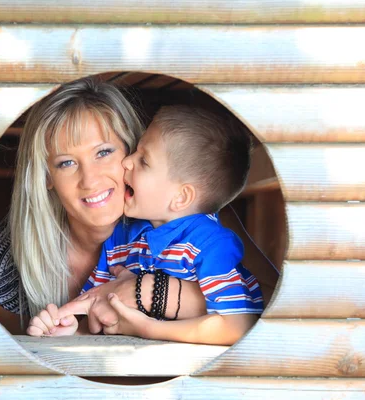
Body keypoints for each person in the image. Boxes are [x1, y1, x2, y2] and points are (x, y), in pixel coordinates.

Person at [0, 78, 208, 335]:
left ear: (132, 151)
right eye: (66, 163)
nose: (90, 180)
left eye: (103, 152)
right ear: (46, 178)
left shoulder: (185, 211)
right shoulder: (12, 255)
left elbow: (256, 302)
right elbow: (9, 350)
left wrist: (144, 291)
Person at [27, 105, 264, 345]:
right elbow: (97, 312)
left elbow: (238, 326)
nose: (127, 162)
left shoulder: (211, 245)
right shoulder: (121, 239)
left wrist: (149, 329)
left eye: (144, 160)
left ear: (181, 197)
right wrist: (70, 329)